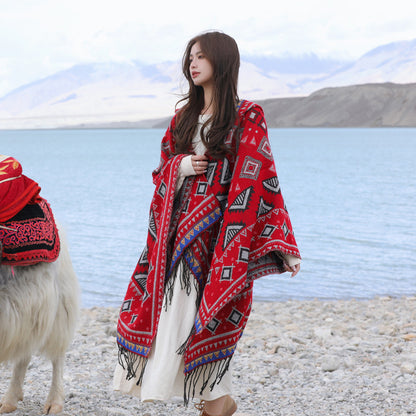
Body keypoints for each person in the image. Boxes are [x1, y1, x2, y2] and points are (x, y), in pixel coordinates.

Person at [113, 31, 301, 416]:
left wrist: (281, 243)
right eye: (190, 57)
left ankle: (216, 401)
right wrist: (179, 167)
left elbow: (262, 179)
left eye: (201, 57)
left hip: (221, 238)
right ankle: (217, 400)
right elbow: (160, 171)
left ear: (222, 61)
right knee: (178, 314)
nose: (192, 64)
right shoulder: (182, 118)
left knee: (208, 315)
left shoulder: (247, 115)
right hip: (176, 235)